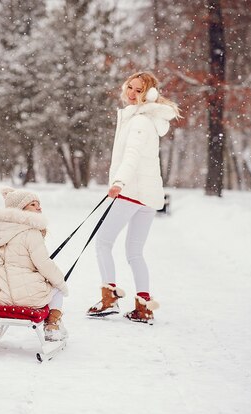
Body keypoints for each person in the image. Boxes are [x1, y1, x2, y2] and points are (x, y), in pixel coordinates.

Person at [87, 71, 180, 324]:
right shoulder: (146, 120)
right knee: (135, 252)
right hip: (147, 197)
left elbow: (132, 155)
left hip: (132, 192)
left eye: (138, 90)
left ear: (148, 94)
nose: (131, 93)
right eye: (129, 87)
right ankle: (143, 306)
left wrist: (119, 181)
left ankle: (109, 299)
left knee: (103, 243)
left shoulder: (139, 121)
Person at [0, 187, 69, 341]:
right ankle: (52, 325)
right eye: (33, 204)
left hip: (1, 297)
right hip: (31, 298)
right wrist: (61, 283)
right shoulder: (31, 232)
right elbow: (44, 264)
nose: (39, 207)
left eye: (38, 203)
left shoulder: (1, 233)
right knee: (57, 288)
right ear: (20, 209)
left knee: (0, 282)